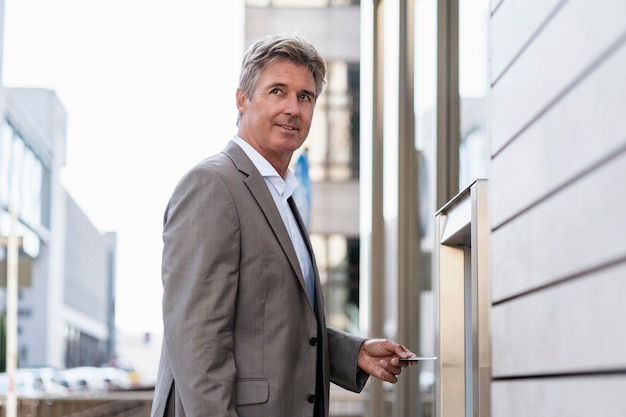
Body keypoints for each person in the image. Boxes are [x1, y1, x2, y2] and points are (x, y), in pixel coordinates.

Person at [150, 33, 417, 417]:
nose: (293, 108)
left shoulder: (281, 196)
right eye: (277, 91)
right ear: (242, 99)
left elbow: (274, 326)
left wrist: (353, 353)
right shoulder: (212, 186)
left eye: (305, 96)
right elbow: (196, 342)